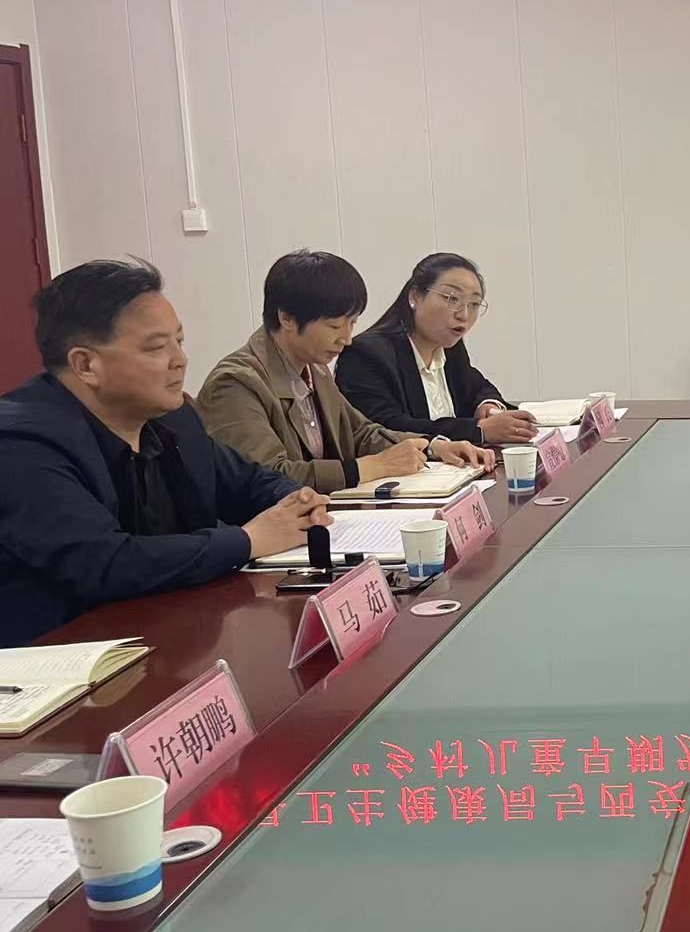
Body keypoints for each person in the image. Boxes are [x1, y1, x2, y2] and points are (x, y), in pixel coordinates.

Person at [0, 260, 330, 645]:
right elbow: (106, 563)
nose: (180, 360)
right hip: (58, 659)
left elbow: (248, 482)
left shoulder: (174, 419)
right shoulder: (21, 445)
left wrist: (299, 502)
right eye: (158, 347)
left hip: (166, 638)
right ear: (85, 364)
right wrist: (248, 540)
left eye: (180, 341)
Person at [197, 251, 492, 494]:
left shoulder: (315, 369)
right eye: (334, 326)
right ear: (286, 318)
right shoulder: (236, 383)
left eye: (352, 323)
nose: (347, 339)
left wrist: (433, 446)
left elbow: (361, 432)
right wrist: (370, 467)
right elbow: (267, 477)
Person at [336, 253, 538, 446]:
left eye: (474, 304)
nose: (464, 315)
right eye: (452, 299)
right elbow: (386, 429)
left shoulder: (449, 348)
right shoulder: (366, 354)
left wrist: (488, 405)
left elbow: (478, 387)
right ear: (415, 296)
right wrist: (478, 430)